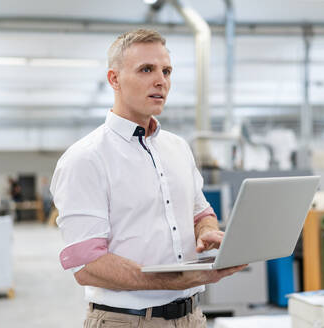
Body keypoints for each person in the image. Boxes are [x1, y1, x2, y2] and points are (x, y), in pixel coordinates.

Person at [50, 28, 246, 328]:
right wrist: (176, 281)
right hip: (127, 321)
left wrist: (206, 230)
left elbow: (201, 213)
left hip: (192, 318)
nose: (161, 81)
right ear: (114, 79)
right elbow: (88, 266)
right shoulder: (85, 159)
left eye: (166, 71)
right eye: (146, 69)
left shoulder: (178, 147)